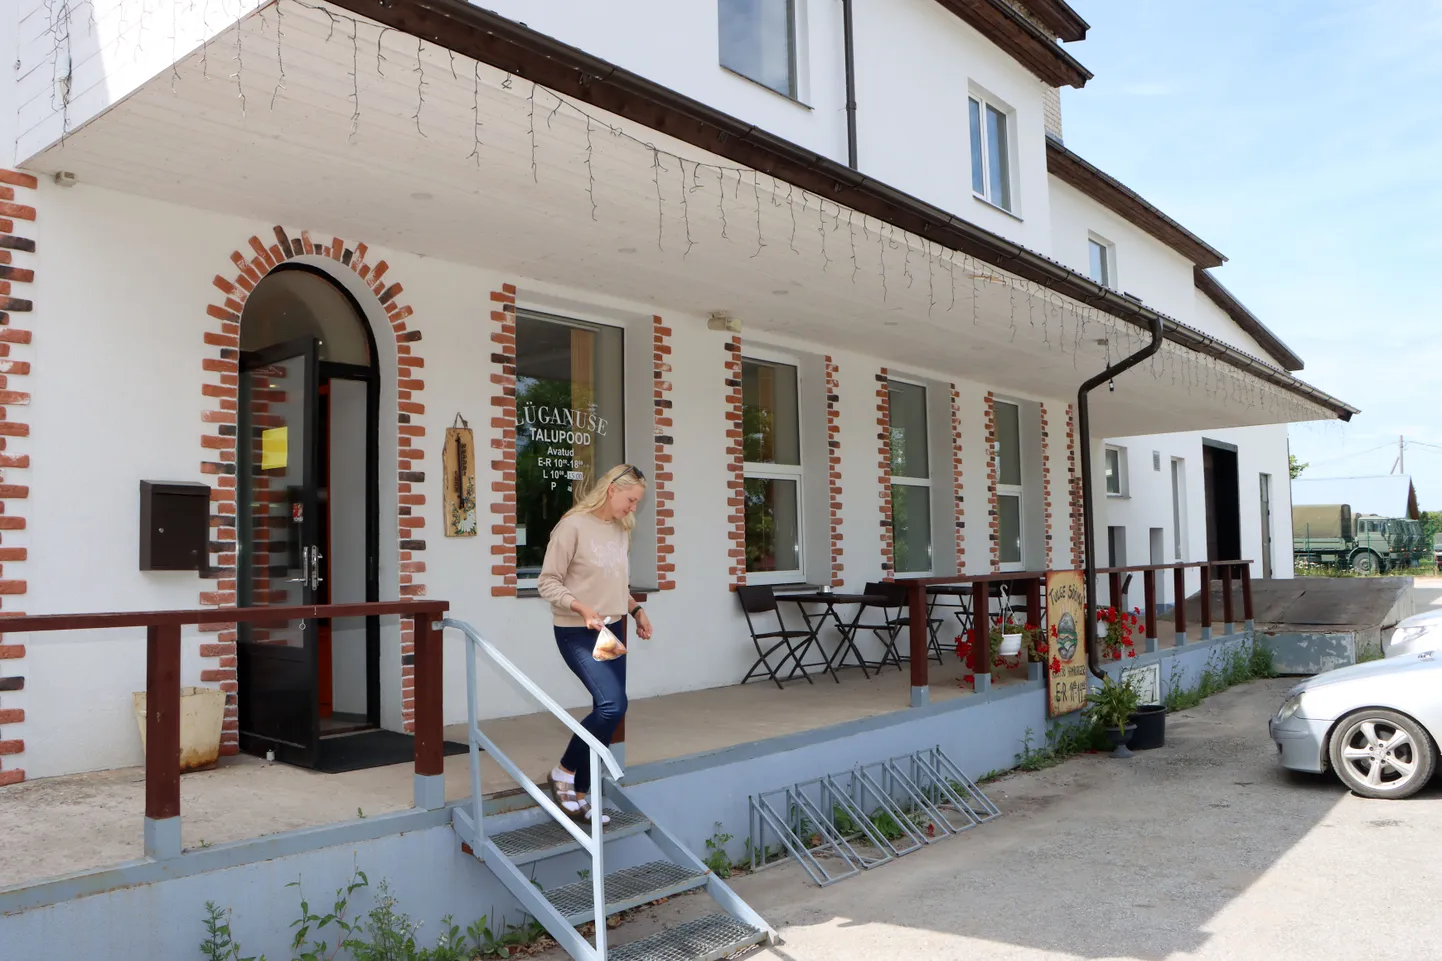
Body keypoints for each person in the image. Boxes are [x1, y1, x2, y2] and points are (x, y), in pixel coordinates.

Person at [537, 463, 653, 824]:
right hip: (577, 631)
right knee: (610, 705)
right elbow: (547, 582)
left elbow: (617, 585)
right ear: (612, 490)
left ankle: (582, 790)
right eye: (631, 500)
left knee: (615, 710)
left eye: (637, 502)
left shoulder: (621, 530)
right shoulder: (572, 526)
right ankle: (564, 771)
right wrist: (581, 606)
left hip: (610, 630)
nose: (633, 508)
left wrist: (636, 611)